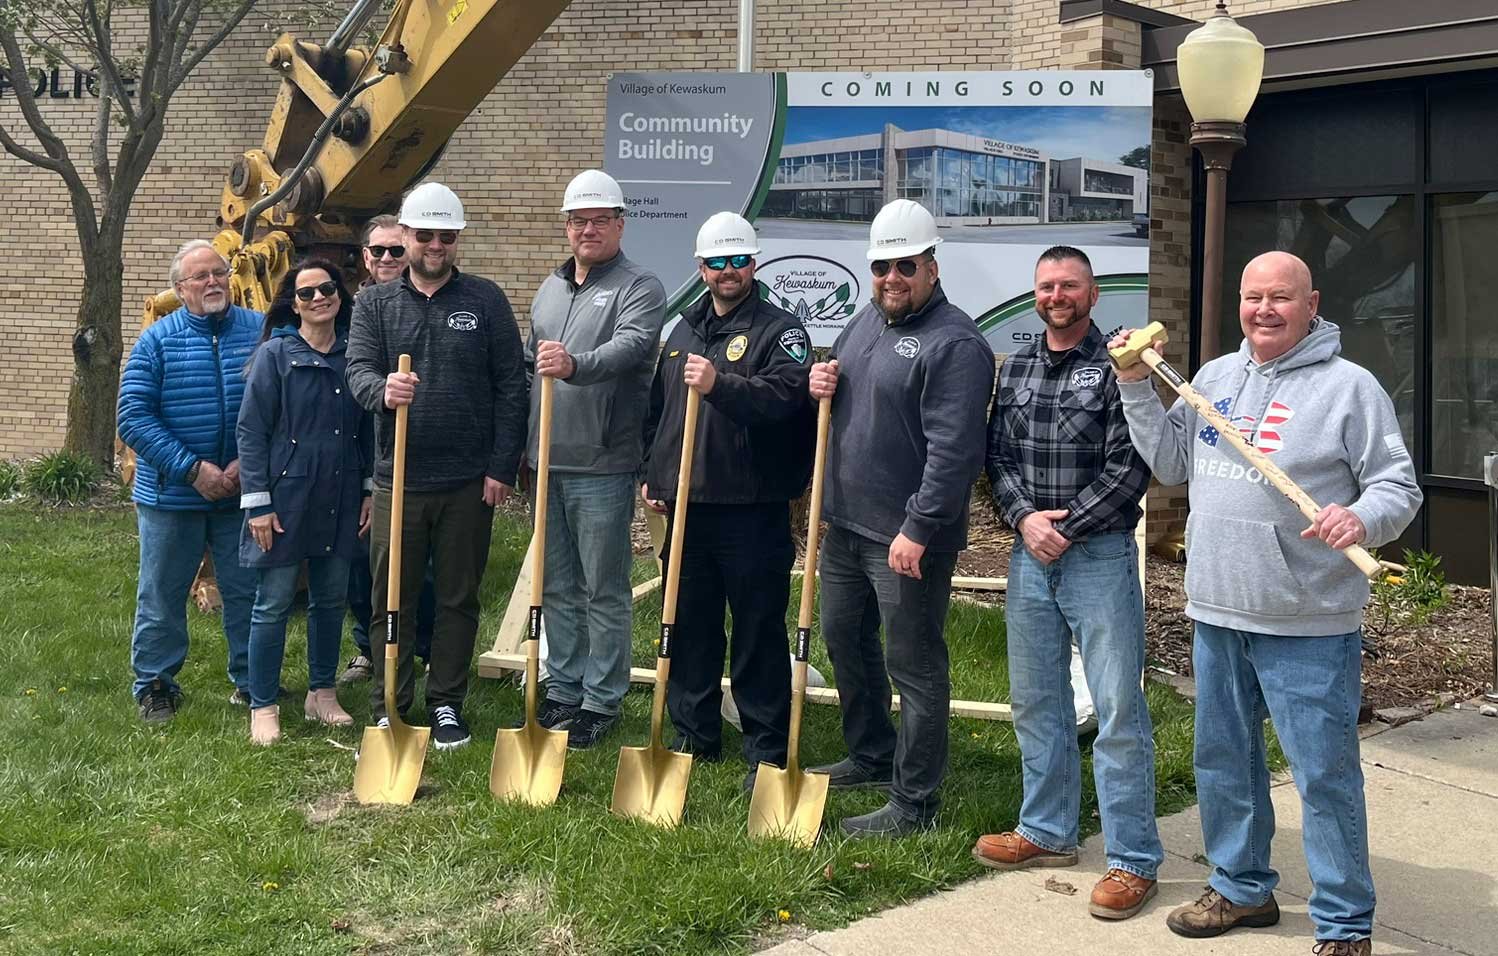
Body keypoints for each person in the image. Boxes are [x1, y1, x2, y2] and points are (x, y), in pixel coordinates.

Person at [1111, 251, 1422, 955]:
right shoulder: (1215, 379)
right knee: (1225, 763)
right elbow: (1170, 464)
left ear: (1312, 304)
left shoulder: (1350, 388)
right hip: (1218, 609)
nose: (1264, 310)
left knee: (1323, 775)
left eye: (1281, 297)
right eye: (1253, 297)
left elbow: (1397, 487)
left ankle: (1344, 921)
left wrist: (1361, 518)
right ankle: (1241, 887)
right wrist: (1134, 385)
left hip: (1307, 618)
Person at [974, 245, 1163, 920]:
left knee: (1116, 709)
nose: (1057, 296)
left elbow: (1131, 466)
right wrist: (1026, 521)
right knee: (1036, 700)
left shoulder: (1119, 367)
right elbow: (997, 457)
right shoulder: (1018, 365)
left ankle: (1132, 858)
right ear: (1036, 294)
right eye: (1047, 286)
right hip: (1030, 555)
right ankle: (1047, 830)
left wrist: (1066, 527)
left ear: (1092, 293)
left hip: (1099, 557)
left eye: (1070, 285)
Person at [807, 199, 995, 837]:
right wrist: (821, 383)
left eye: (906, 266)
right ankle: (871, 754)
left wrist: (918, 527)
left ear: (932, 268)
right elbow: (847, 390)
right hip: (847, 526)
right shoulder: (865, 322)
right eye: (882, 266)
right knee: (844, 640)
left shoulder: (956, 344)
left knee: (913, 664)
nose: (892, 278)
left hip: (907, 537)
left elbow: (955, 452)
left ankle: (914, 802)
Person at [346, 181, 528, 750]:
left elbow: (511, 386)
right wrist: (383, 390)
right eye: (424, 235)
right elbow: (356, 371)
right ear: (404, 235)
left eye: (446, 237)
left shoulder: (485, 300)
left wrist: (501, 467)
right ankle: (390, 703)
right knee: (390, 598)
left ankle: (446, 701)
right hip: (397, 481)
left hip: (467, 482)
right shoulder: (374, 304)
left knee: (457, 597)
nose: (435, 245)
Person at [639, 211, 814, 790]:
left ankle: (765, 745)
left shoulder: (780, 330)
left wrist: (720, 384)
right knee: (689, 624)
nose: (728, 271)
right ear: (702, 268)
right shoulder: (683, 330)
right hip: (688, 509)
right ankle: (694, 735)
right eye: (718, 262)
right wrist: (655, 474)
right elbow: (662, 410)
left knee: (758, 629)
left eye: (739, 260)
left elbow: (784, 398)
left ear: (753, 263)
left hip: (750, 508)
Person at [523, 168, 666, 750]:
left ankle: (601, 699)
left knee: (602, 588)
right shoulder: (550, 287)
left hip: (602, 462)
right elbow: (528, 366)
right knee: (557, 584)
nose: (588, 230)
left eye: (600, 220)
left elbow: (631, 347)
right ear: (567, 226)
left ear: (620, 224)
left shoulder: (640, 286)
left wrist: (575, 365)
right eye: (579, 221)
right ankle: (564, 686)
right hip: (546, 461)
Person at [118, 239, 261, 722]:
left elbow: (282, 402)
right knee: (162, 593)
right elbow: (133, 417)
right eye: (200, 276)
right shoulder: (157, 341)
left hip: (241, 492)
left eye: (219, 273)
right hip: (171, 496)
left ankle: (253, 683)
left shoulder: (260, 332)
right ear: (180, 289)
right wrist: (192, 469)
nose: (213, 282)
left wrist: (246, 463)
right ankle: (156, 685)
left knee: (247, 593)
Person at [236, 259, 371, 744]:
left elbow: (368, 431)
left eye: (327, 289)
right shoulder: (275, 356)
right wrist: (258, 504)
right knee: (272, 603)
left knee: (331, 598)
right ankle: (263, 704)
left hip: (342, 494)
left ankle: (322, 693)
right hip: (285, 498)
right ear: (293, 304)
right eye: (306, 292)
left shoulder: (355, 356)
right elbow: (251, 431)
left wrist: (368, 490)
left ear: (339, 295)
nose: (319, 298)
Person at [340, 214, 435, 686]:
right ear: (365, 256)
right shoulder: (348, 308)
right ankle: (369, 648)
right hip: (361, 444)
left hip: (415, 456)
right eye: (378, 251)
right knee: (364, 562)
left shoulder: (426, 305)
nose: (387, 259)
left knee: (423, 566)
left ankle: (426, 649)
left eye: (397, 250)